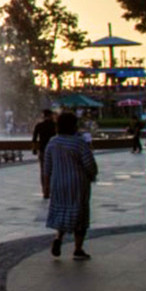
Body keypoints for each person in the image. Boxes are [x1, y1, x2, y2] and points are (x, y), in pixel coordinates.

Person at [44, 111, 98, 260]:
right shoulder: (78, 143)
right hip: (77, 184)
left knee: (62, 211)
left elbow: (47, 167)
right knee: (79, 215)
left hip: (58, 184)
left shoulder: (53, 142)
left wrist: (47, 185)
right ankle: (78, 249)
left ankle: (58, 238)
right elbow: (89, 164)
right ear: (73, 125)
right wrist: (93, 174)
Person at [31, 110, 57, 199]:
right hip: (54, 150)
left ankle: (45, 190)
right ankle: (53, 190)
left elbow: (34, 139)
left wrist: (34, 149)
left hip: (43, 150)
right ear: (50, 115)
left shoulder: (39, 125)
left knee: (43, 170)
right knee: (54, 170)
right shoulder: (55, 125)